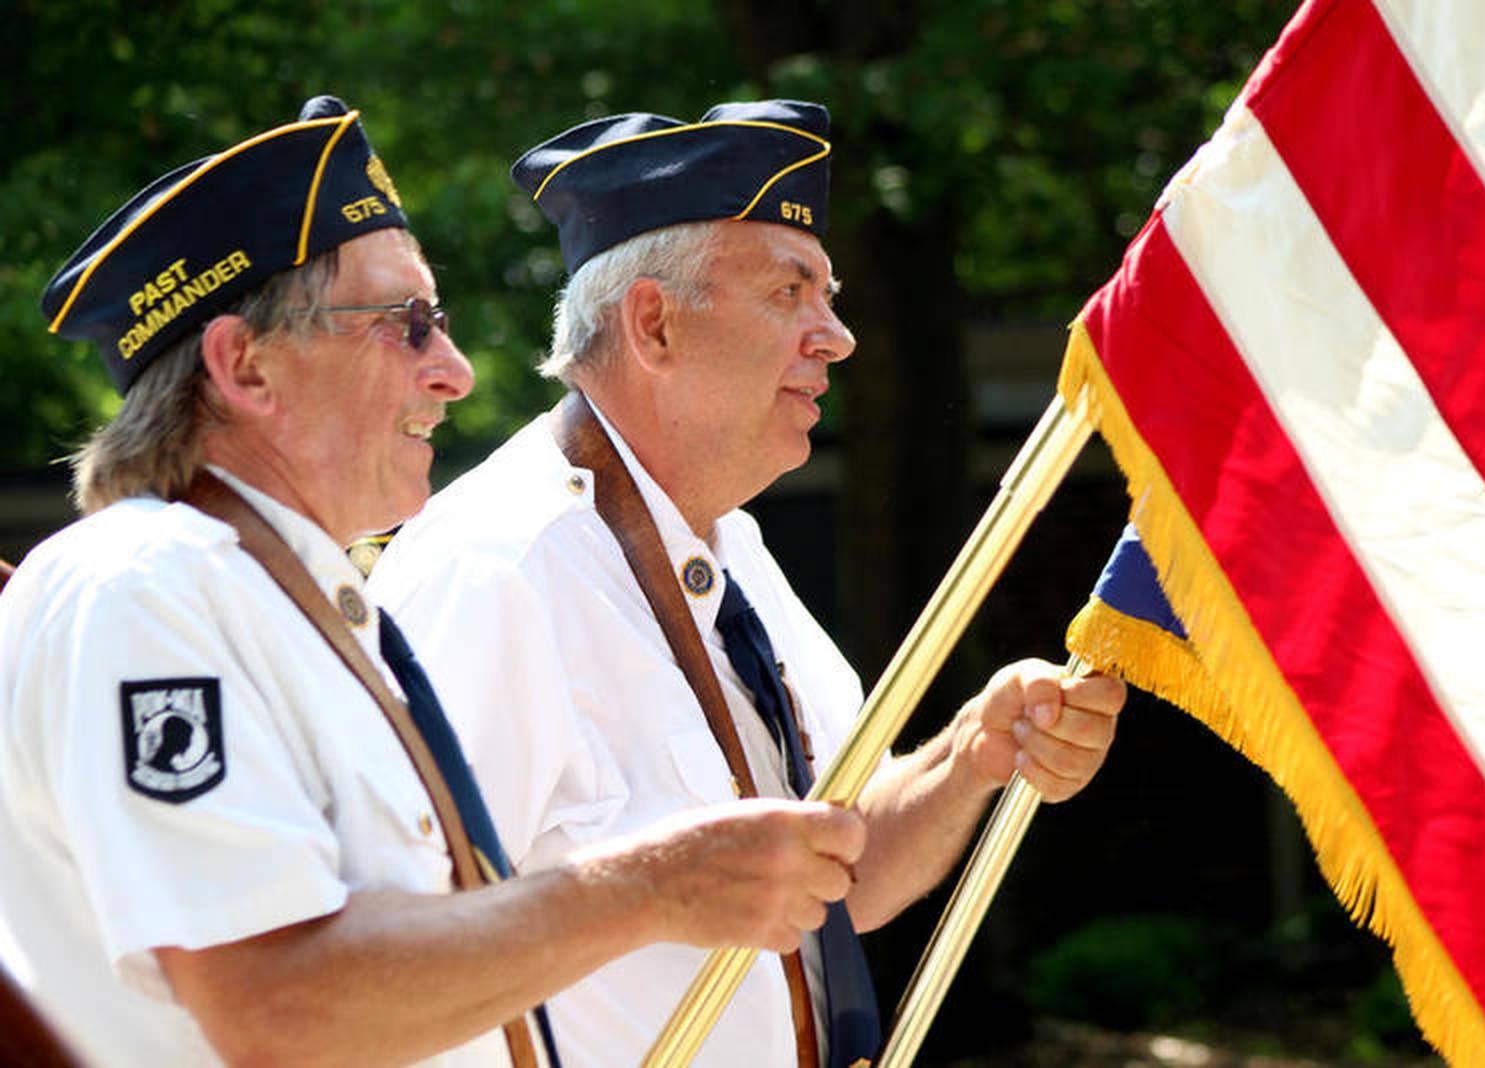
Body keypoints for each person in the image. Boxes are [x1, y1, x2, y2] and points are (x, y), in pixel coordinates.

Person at [0, 97, 871, 1068]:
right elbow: (275, 1008)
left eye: (441, 323)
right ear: (245, 365)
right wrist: (650, 889)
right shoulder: (143, 587)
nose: (454, 371)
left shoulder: (289, 603)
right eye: (406, 324)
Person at [368, 99, 1127, 1068]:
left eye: (830, 295)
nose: (836, 336)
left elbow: (837, 865)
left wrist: (972, 752)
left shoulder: (737, 549)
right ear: (654, 324)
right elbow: (405, 975)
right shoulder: (494, 569)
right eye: (789, 294)